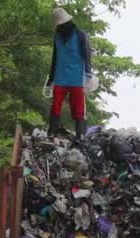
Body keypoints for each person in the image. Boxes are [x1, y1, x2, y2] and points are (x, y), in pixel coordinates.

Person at [47, 7, 93, 139]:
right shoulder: (57, 36)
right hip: (60, 77)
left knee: (78, 108)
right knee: (55, 106)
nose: (60, 27)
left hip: (77, 78)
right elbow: (55, 57)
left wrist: (88, 75)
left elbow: (87, 56)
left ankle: (80, 135)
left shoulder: (80, 35)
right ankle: (51, 133)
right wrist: (51, 78)